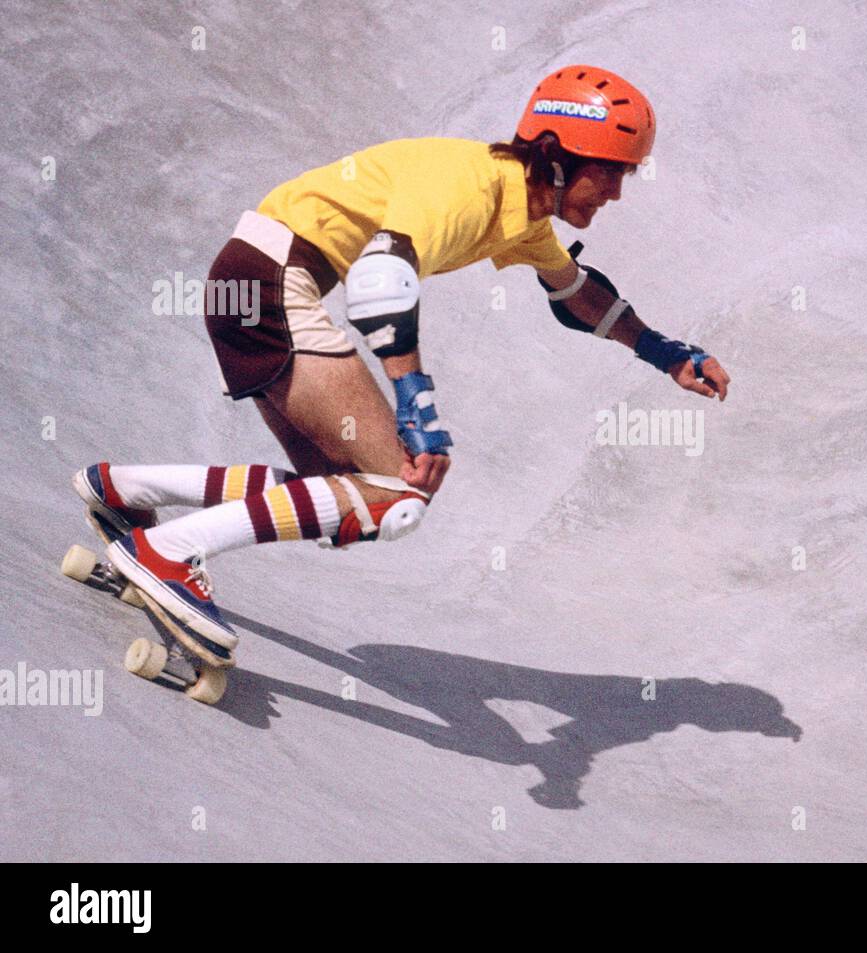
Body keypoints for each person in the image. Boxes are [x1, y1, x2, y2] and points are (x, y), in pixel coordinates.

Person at [73, 64, 731, 660]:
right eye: (610, 169)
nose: (616, 191)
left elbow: (578, 295)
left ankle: (125, 488)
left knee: (335, 490)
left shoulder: (522, 213)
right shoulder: (470, 186)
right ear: (557, 155)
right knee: (398, 495)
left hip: (249, 279)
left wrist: (667, 353)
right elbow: (382, 278)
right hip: (274, 281)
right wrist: (416, 403)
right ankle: (168, 553)